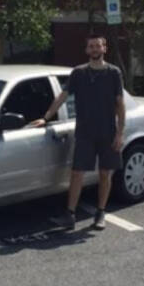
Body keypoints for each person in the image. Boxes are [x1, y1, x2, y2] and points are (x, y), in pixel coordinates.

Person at [31, 35, 125, 231]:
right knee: (76, 173)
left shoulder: (114, 73)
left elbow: (120, 104)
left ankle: (100, 213)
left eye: (98, 45)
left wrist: (119, 134)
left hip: (108, 131)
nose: (95, 49)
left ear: (104, 48)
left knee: (105, 173)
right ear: (87, 50)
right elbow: (62, 96)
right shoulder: (78, 73)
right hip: (84, 132)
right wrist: (46, 117)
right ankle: (70, 214)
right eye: (91, 46)